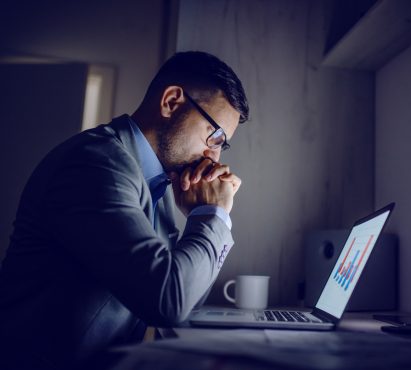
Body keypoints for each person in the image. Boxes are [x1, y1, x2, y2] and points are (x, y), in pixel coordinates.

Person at [0, 51, 249, 369]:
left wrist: (201, 215)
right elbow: (168, 302)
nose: (213, 159)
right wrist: (213, 215)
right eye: (214, 137)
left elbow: (185, 302)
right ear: (171, 102)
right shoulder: (96, 164)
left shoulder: (156, 181)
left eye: (221, 145)